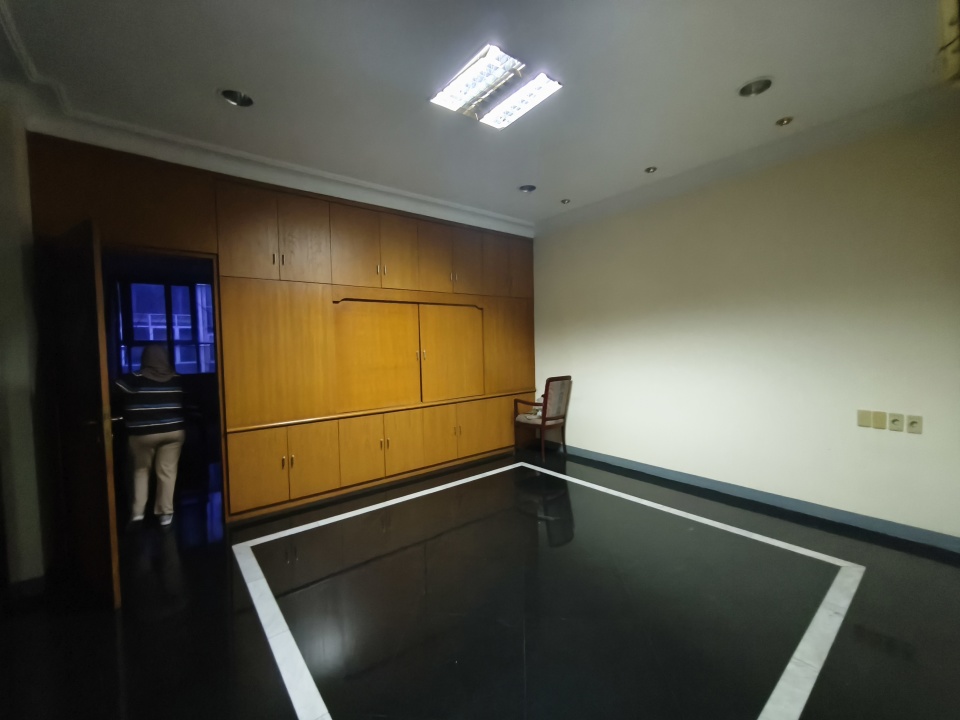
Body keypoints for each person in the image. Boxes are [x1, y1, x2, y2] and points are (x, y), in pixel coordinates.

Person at [114, 344, 185, 527]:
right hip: (173, 432)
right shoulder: (176, 379)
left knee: (141, 471)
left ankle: (138, 514)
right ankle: (165, 514)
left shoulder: (133, 379)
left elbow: (113, 392)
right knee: (167, 472)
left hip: (142, 433)